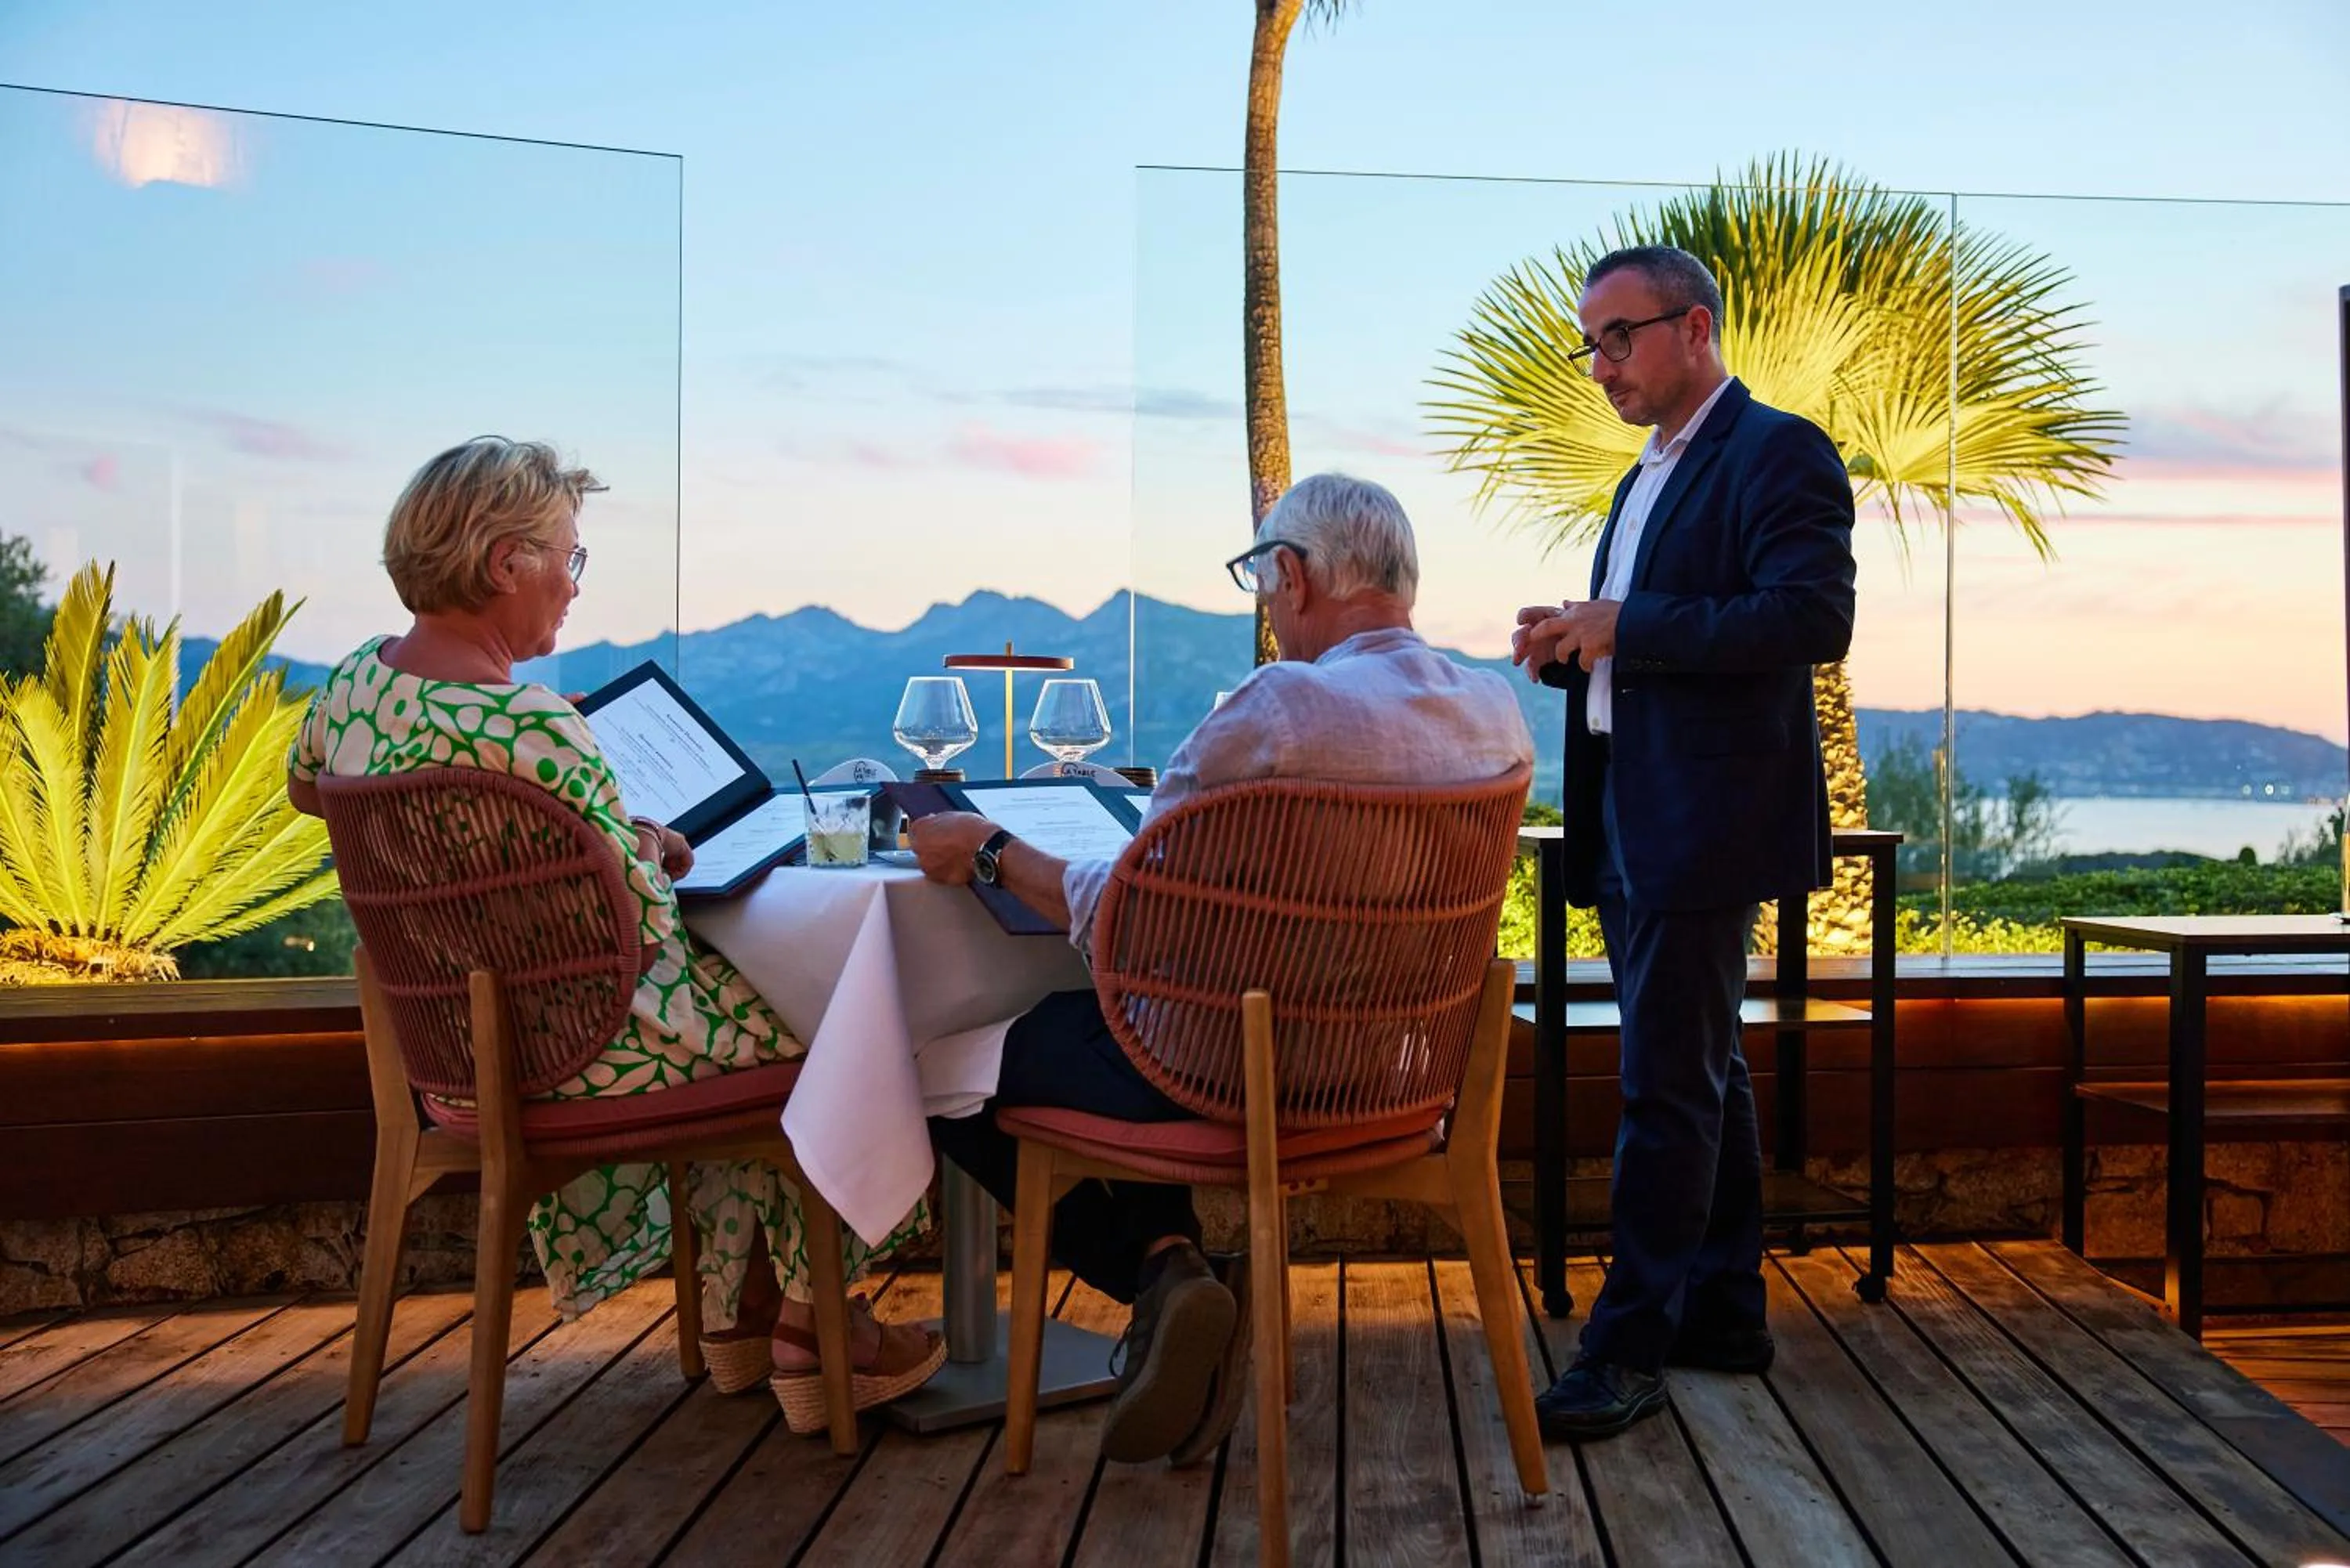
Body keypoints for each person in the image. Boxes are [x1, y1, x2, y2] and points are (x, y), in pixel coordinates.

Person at [286, 435, 942, 1425]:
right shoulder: (536, 729)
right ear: (508, 563)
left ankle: (741, 1316)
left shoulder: (351, 687)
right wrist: (650, 850)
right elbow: (637, 938)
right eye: (568, 557)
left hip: (461, 1048)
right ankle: (823, 1329)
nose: (574, 585)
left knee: (760, 1015)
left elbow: (311, 790)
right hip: (579, 1051)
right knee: (833, 1025)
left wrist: (488, 851)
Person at [909, 472, 1533, 1467]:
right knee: (1097, 1022)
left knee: (941, 1067)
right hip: (1399, 1074)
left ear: (1291, 574)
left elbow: (1125, 907)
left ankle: (1158, 1270)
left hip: (1237, 1074)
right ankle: (1171, 1276)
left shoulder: (1279, 706)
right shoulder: (1492, 711)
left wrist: (988, 850)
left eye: (1259, 579)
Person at [1508, 247, 1856, 1440]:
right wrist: (1575, 637)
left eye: (1620, 336)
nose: (1599, 363)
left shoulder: (1778, 450)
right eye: (1590, 341)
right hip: (1633, 805)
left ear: (1696, 327)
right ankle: (1722, 1308)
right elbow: (1655, 640)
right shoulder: (1641, 477)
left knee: (1666, 1083)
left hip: (1707, 818)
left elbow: (1812, 615)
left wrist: (1627, 625)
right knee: (1708, 1069)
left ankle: (1627, 1348)